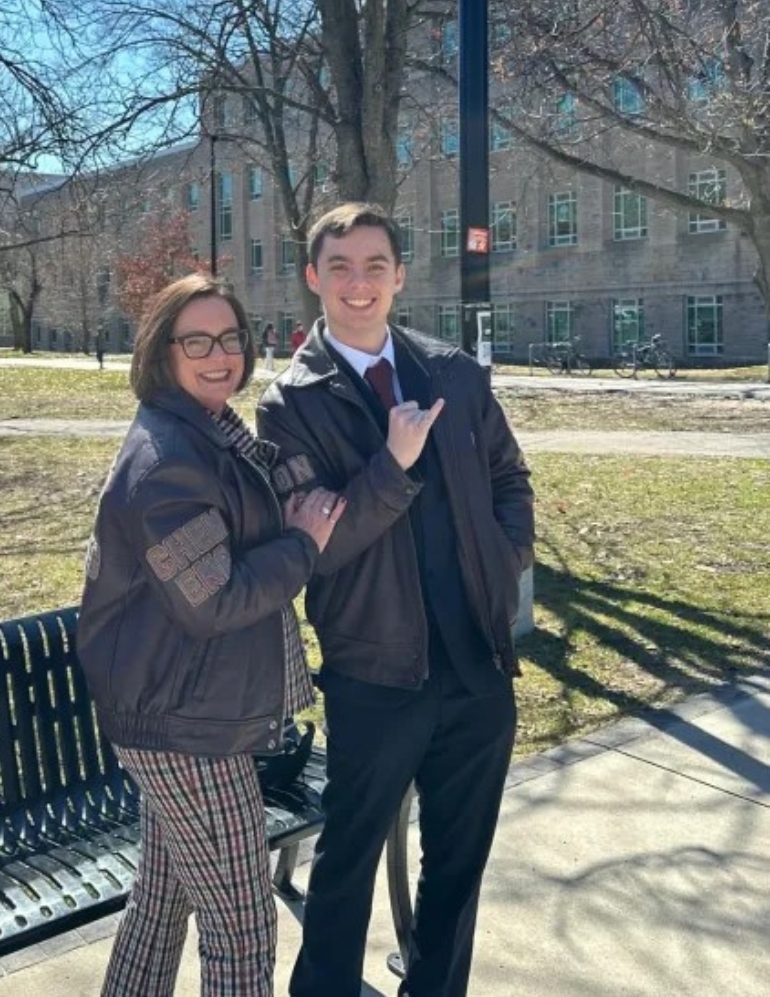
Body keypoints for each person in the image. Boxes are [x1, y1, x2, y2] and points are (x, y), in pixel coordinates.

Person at [257, 203, 535, 997]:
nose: (358, 283)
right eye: (339, 267)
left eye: (375, 265)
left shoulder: (453, 373)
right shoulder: (290, 404)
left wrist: (501, 560)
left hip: (478, 663)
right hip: (375, 670)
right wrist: (393, 463)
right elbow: (321, 546)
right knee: (347, 859)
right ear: (313, 278)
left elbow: (511, 482)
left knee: (459, 862)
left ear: (400, 276)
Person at [76, 273, 346, 997]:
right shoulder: (166, 465)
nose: (218, 354)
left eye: (229, 337)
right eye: (196, 340)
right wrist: (301, 546)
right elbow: (215, 601)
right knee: (243, 929)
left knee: (161, 907)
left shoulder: (211, 434)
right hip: (183, 726)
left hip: (180, 706)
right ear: (161, 350)